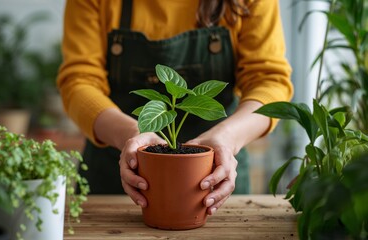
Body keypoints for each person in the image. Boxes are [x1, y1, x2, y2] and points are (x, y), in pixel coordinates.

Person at [57, 0, 293, 216]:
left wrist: (228, 138)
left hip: (217, 171)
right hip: (118, 170)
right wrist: (130, 134)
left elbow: (269, 81)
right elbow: (79, 81)